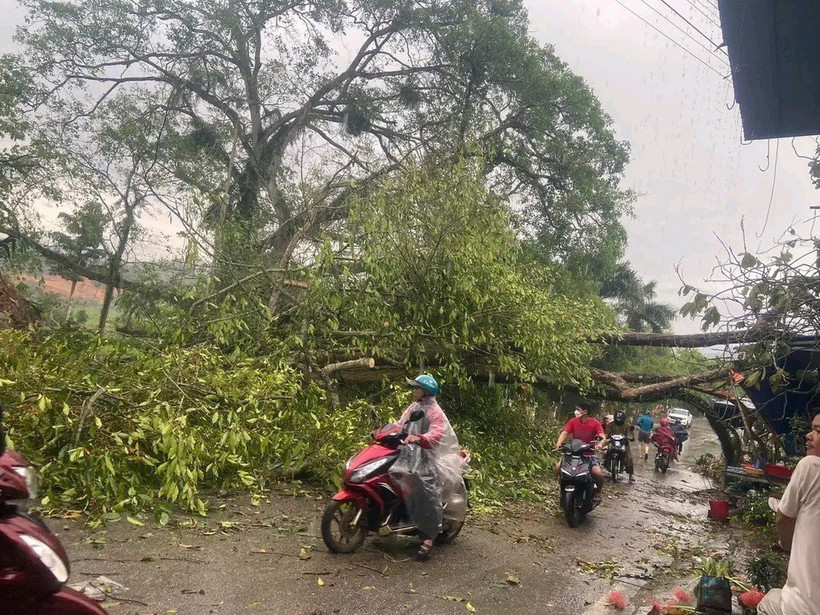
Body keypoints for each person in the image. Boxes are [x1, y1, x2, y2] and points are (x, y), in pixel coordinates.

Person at [389, 374, 461, 561]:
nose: (414, 391)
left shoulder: (435, 411)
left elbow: (438, 432)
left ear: (425, 392)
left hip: (426, 458)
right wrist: (386, 431)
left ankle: (428, 538)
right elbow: (400, 424)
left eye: (417, 388)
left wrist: (420, 438)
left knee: (427, 492)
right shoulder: (414, 407)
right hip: (408, 455)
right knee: (391, 479)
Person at [758, 411, 820, 615]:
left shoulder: (810, 466)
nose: (809, 435)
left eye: (818, 431)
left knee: (766, 603)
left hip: (804, 608)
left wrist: (786, 544)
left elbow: (784, 517)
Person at [554, 399, 606, 501]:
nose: (576, 411)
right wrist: (559, 443)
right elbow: (565, 432)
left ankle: (598, 492)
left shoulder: (595, 423)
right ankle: (561, 486)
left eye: (578, 409)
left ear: (585, 411)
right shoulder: (573, 421)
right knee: (557, 467)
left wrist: (599, 444)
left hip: (588, 455)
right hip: (573, 453)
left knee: (598, 473)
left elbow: (602, 436)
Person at [605, 409, 636, 482]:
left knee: (628, 457)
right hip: (612, 442)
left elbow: (631, 434)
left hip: (623, 443)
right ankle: (605, 462)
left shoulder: (627, 425)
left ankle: (630, 475)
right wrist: (605, 436)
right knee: (605, 451)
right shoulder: (610, 425)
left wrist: (631, 437)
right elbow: (606, 433)